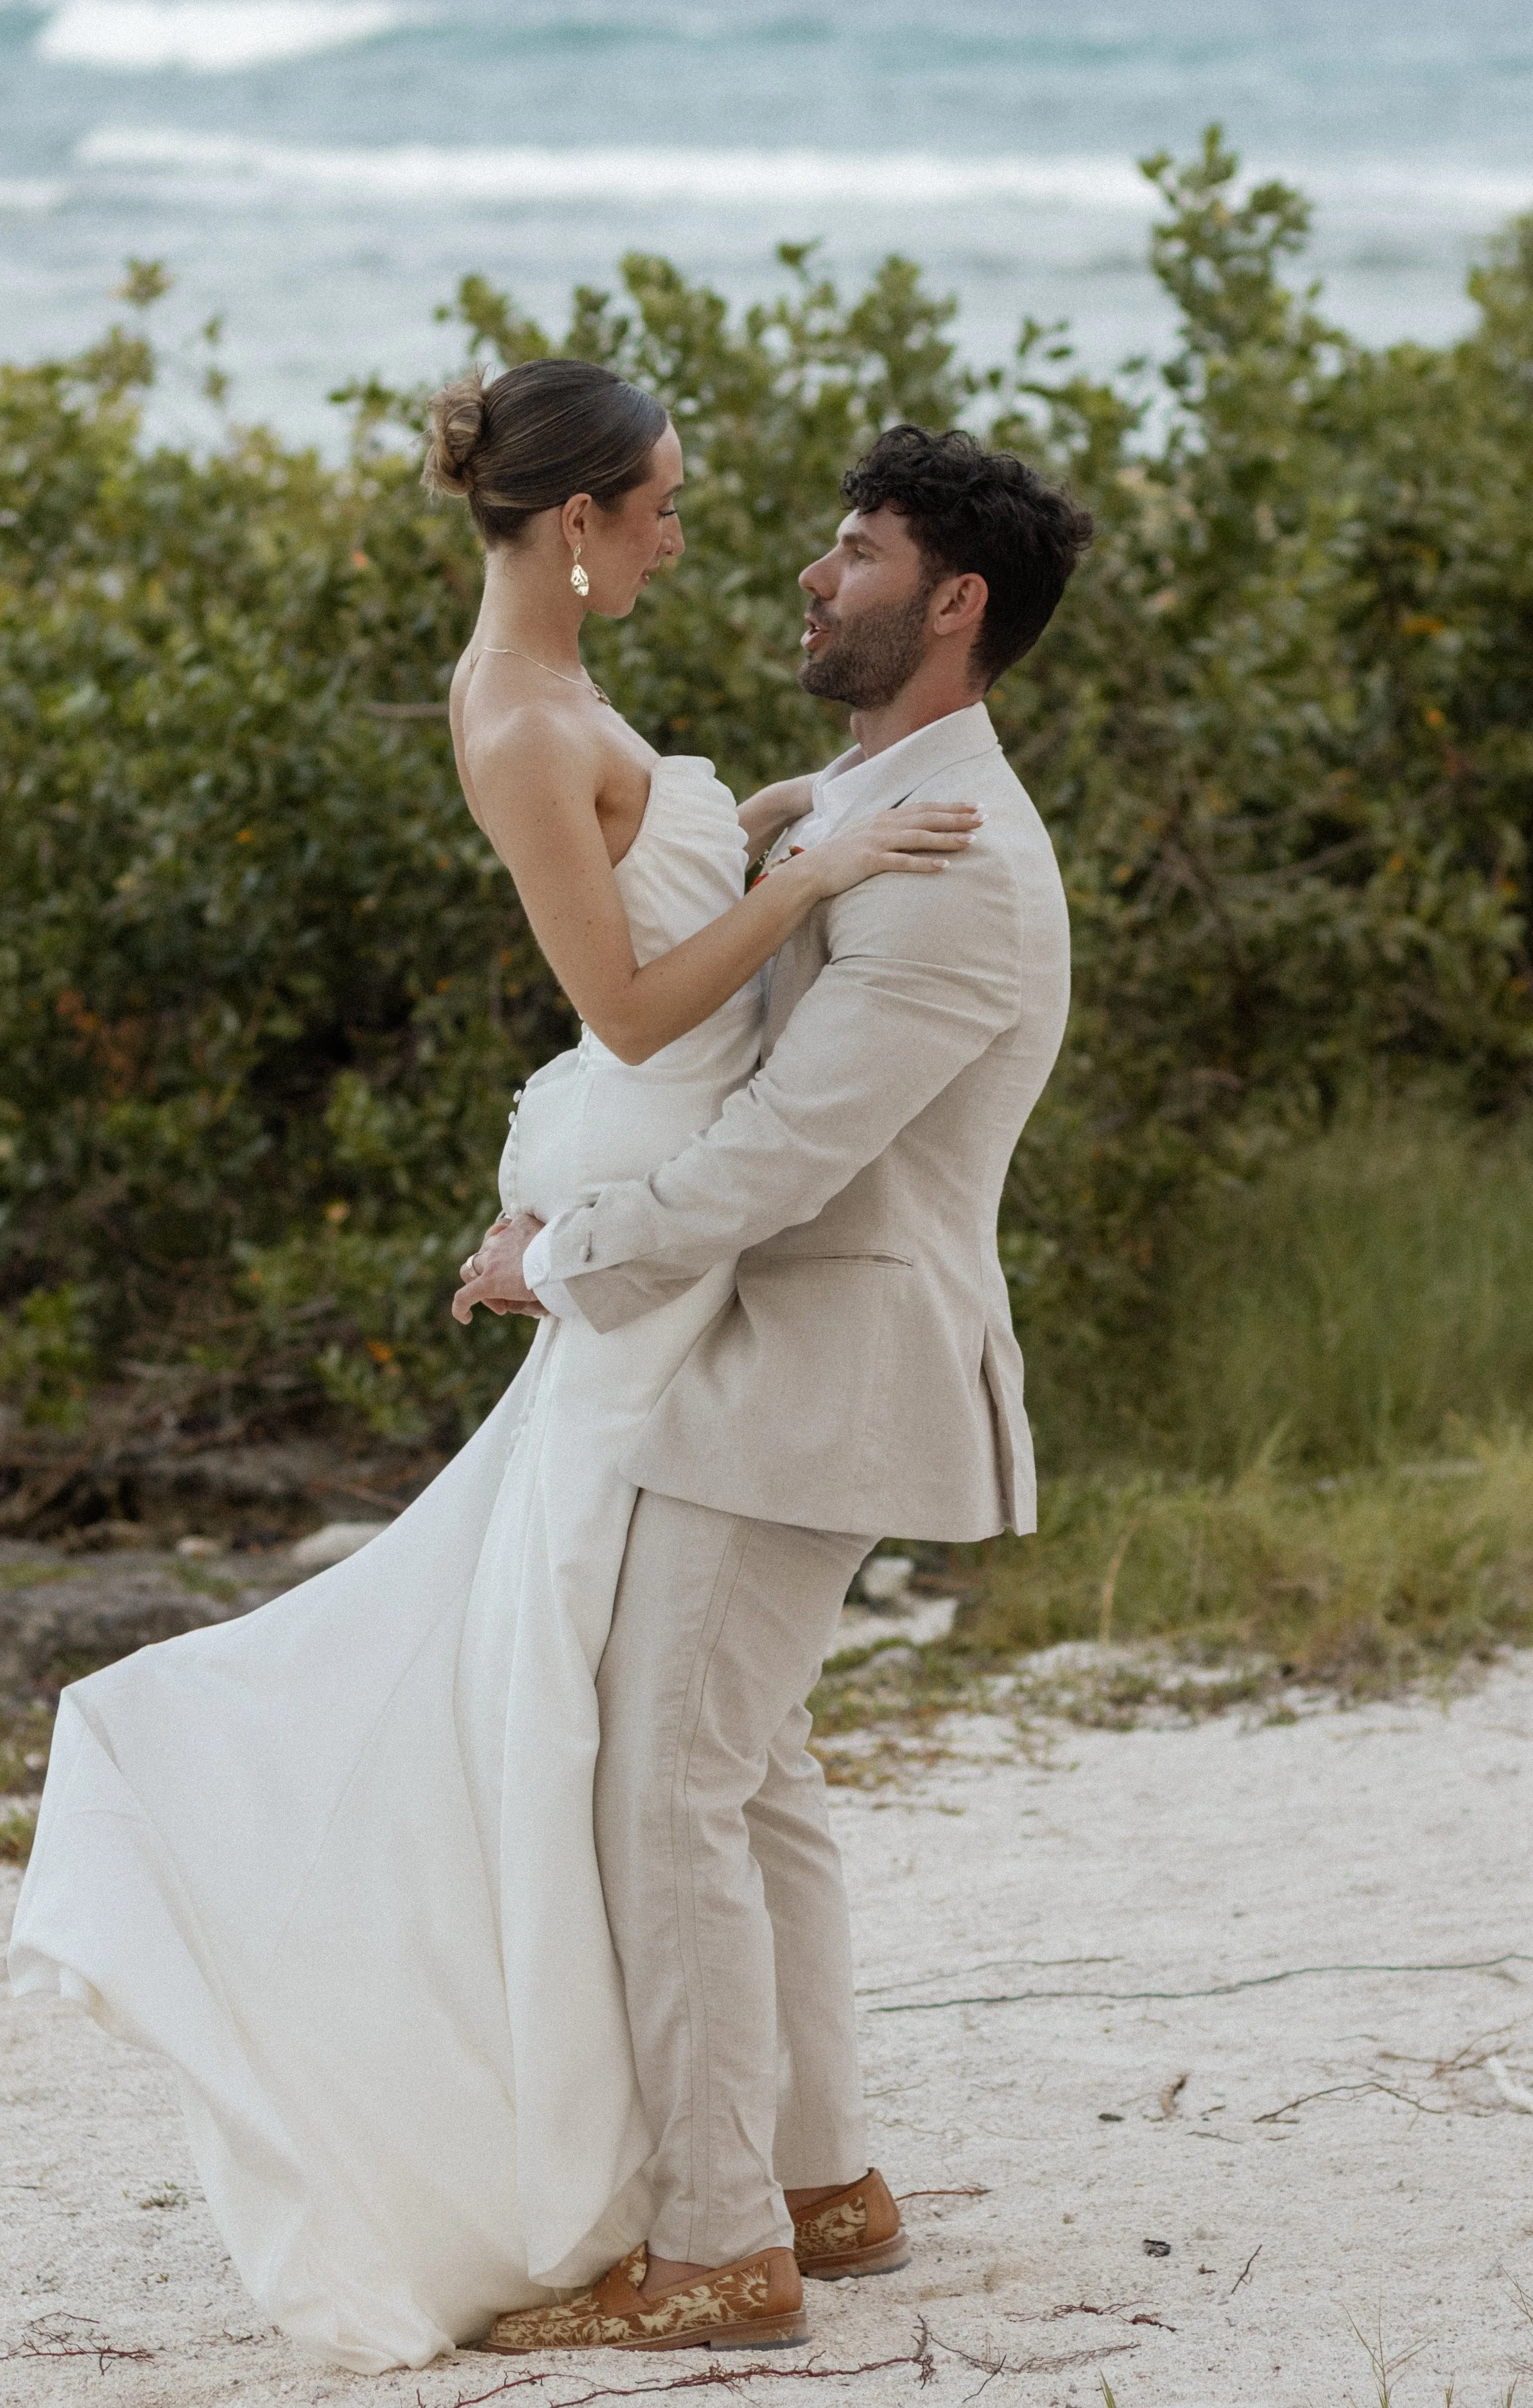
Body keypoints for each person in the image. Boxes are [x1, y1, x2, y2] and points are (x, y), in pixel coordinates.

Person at [5, 358, 982, 2373]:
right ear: (572, 523)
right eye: (665, 503)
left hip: (682, 1212)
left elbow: (669, 867)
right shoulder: (515, 717)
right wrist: (798, 881)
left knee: (710, 1721)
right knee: (596, 1695)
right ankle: (685, 2184)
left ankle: (802, 2174)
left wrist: (780, 816)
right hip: (663, 1190)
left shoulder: (570, 697)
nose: (686, 531)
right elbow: (623, 1012)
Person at [454, 416, 1090, 2356]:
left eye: (856, 552)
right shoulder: (890, 794)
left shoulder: (956, 868)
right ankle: (819, 2175)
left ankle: (723, 2244)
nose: (812, 576)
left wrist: (551, 1259)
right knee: (759, 1778)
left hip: (826, 1359)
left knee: (667, 1787)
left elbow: (778, 1158)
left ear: (952, 603)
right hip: (780, 1355)